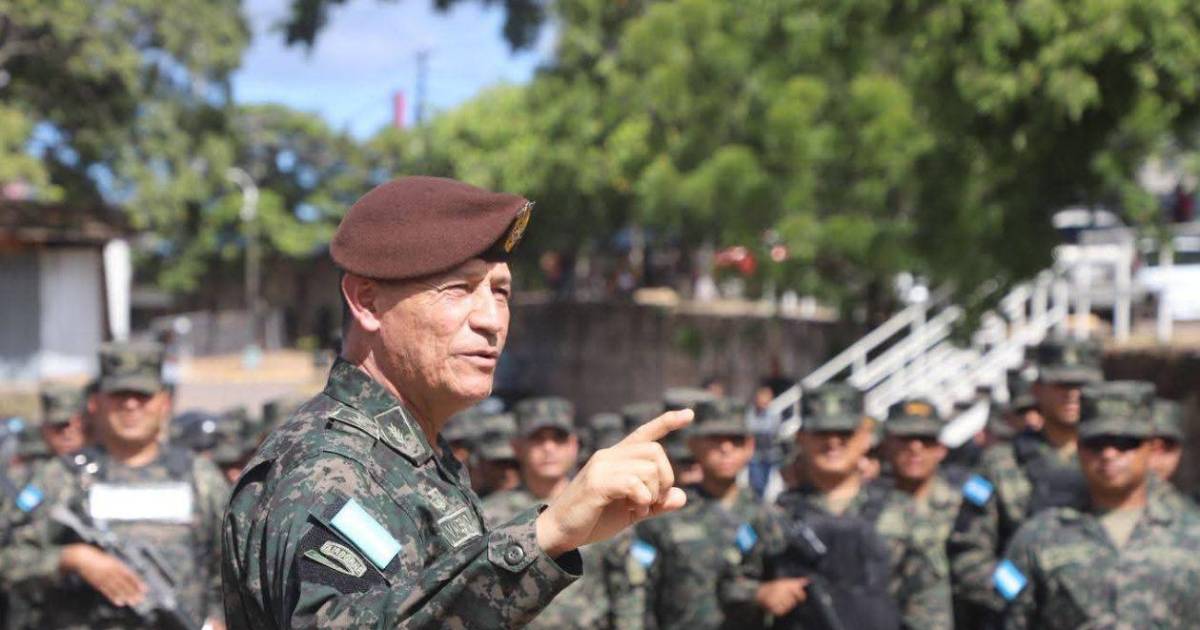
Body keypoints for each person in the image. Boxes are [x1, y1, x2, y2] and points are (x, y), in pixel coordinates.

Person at [221, 176, 693, 629]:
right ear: (367, 302)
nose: (491, 320)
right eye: (459, 290)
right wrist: (546, 535)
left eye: (500, 292)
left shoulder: (410, 455)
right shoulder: (326, 470)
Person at [6, 341, 230, 630]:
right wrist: (71, 559)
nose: (130, 405)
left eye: (142, 395)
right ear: (95, 403)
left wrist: (219, 619)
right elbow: (9, 561)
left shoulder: (200, 477)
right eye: (119, 395)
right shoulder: (61, 477)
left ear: (164, 403)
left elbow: (231, 566)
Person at [998, 381, 1200, 629]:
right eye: (1096, 443)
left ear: (1151, 448)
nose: (1109, 454)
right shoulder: (1037, 538)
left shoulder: (1192, 532)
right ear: (1079, 447)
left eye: (1125, 443)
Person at [948, 337, 1101, 624]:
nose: (1072, 395)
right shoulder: (999, 464)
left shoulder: (1115, 463)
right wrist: (1022, 591)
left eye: (1081, 385)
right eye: (1061, 384)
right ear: (1038, 389)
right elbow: (968, 554)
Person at [774, 383, 950, 629]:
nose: (833, 442)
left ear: (865, 437)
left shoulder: (904, 512)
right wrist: (760, 596)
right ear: (801, 438)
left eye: (845, 432)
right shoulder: (775, 517)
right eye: (821, 432)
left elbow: (929, 606)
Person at [636, 397, 796, 629]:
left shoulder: (770, 517)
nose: (725, 448)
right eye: (715, 439)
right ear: (693, 444)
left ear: (750, 446)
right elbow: (642, 593)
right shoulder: (666, 513)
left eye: (736, 440)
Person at [483, 396, 635, 629]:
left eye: (559, 438)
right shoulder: (490, 514)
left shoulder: (600, 507)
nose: (549, 448)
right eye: (537, 439)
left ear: (574, 444)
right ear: (516, 446)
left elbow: (626, 590)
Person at [880, 398, 964, 620]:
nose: (915, 448)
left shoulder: (965, 508)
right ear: (887, 444)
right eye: (904, 438)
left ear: (941, 448)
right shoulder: (866, 507)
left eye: (926, 439)